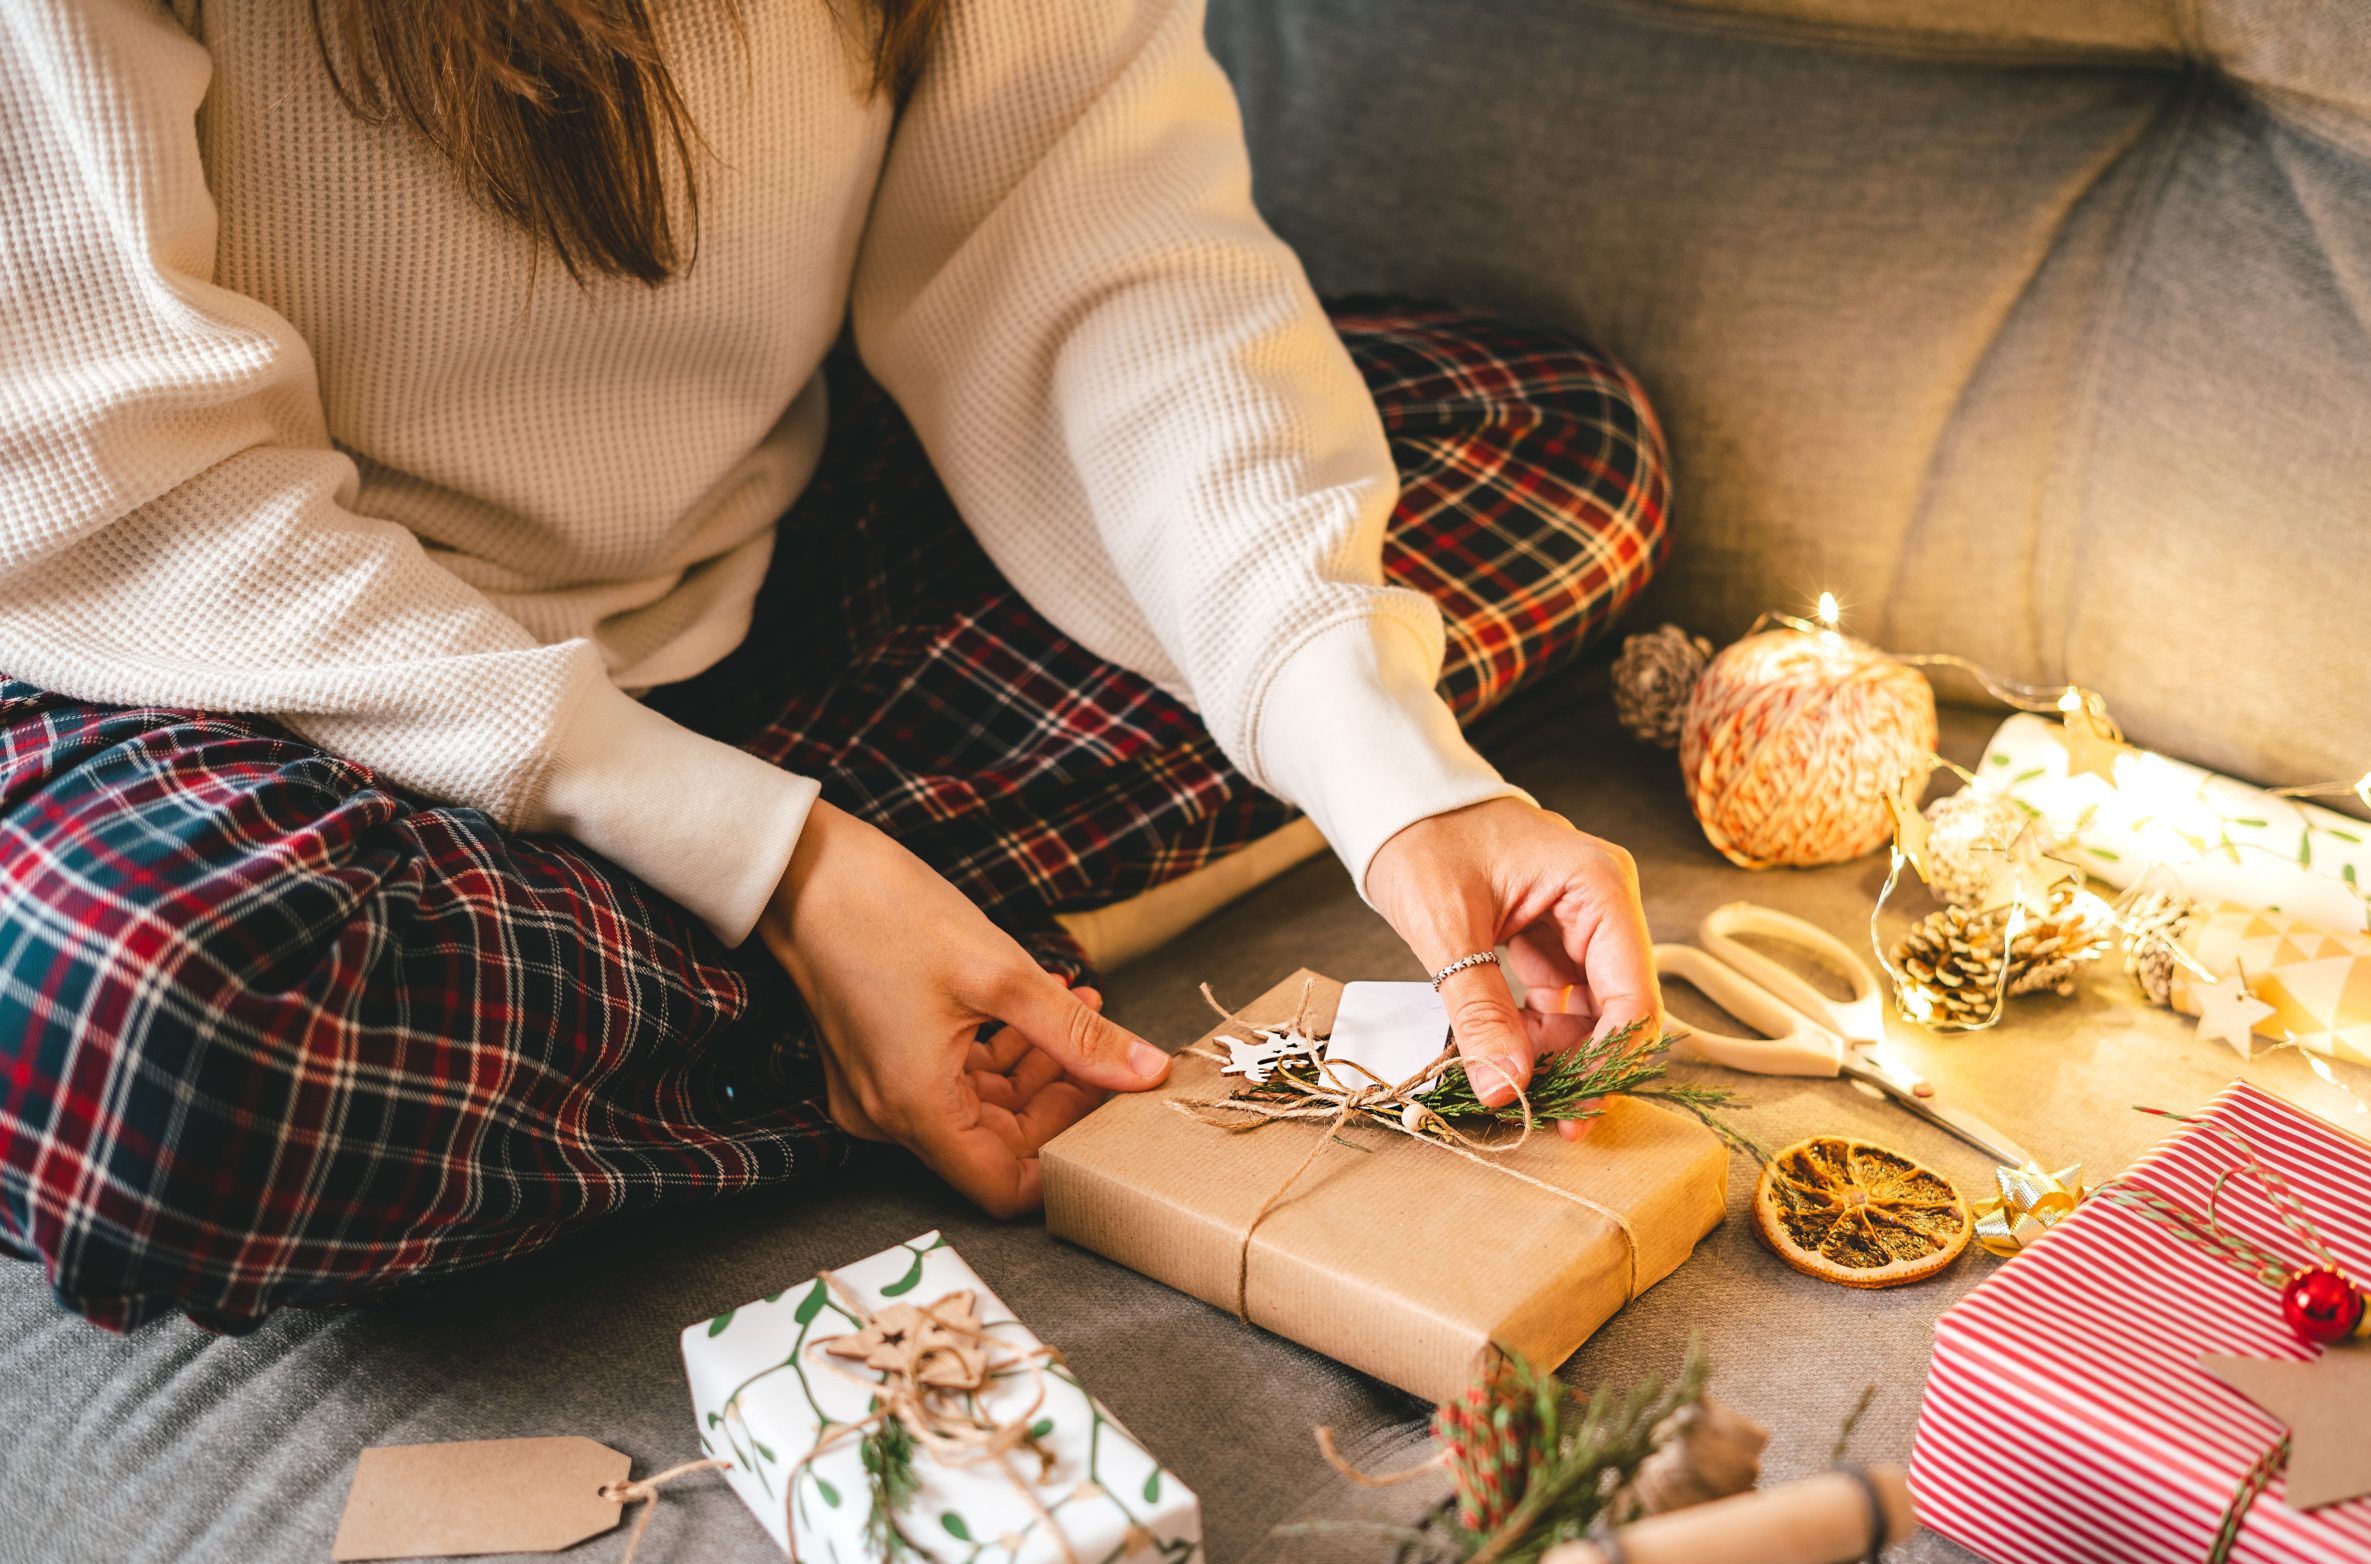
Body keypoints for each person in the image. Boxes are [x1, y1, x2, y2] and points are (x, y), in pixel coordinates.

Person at [0, 0, 1668, 1333]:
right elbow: (127, 481)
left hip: (755, 590)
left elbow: (1086, 237)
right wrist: (778, 865)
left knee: (1550, 438)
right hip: (212, 656)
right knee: (161, 1030)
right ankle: (874, 957)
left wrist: (1389, 769)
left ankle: (852, 963)